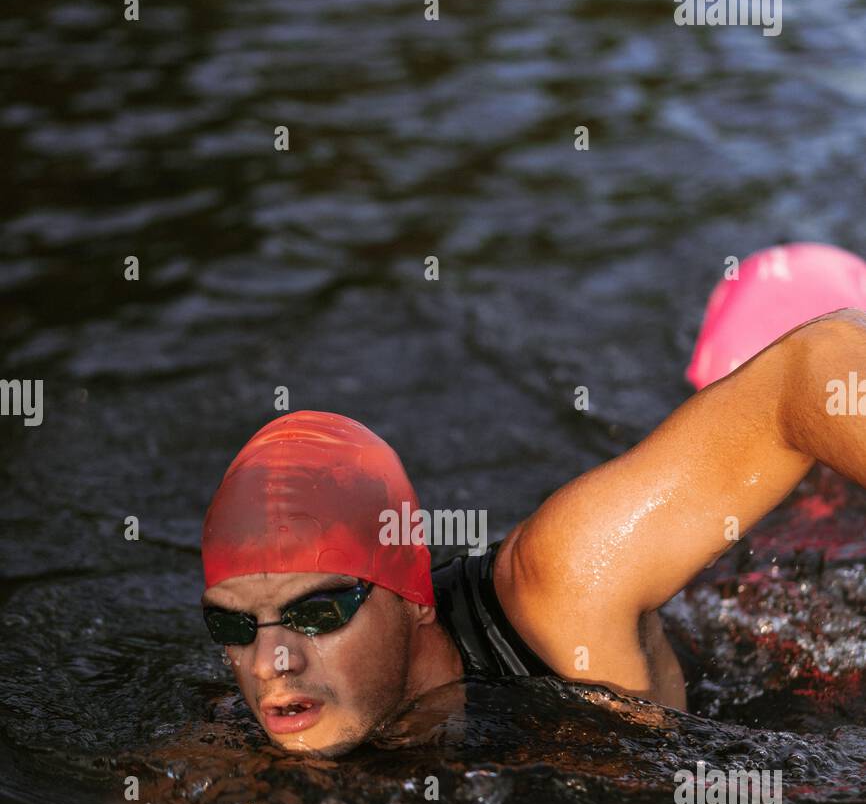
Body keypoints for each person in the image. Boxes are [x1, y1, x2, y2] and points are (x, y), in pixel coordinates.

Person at [200, 243, 866, 757]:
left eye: (316, 611)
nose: (269, 663)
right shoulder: (233, 740)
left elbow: (811, 369)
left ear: (412, 599)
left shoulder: (562, 586)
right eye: (233, 625)